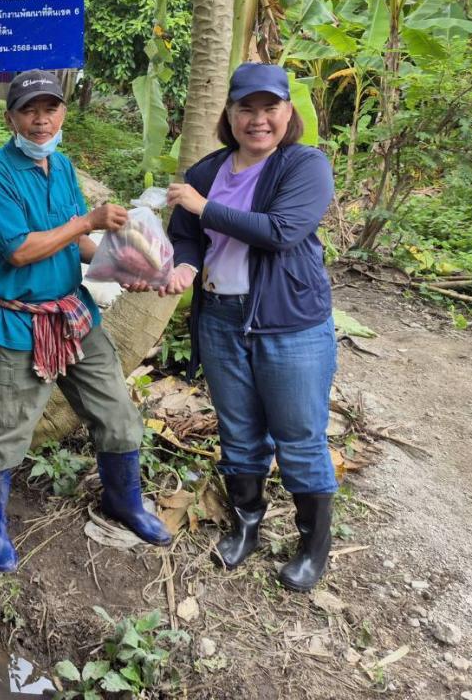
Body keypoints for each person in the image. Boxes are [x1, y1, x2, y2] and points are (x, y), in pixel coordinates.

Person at [0, 69, 171, 574]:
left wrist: (123, 264)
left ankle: (123, 503)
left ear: (62, 113)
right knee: (10, 428)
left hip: (73, 313)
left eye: (51, 108)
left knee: (117, 413)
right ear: (13, 117)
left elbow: (76, 242)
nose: (41, 120)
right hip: (18, 323)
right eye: (30, 110)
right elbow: (19, 252)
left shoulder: (61, 167)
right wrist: (88, 221)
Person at [160, 63, 337, 592]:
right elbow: (187, 235)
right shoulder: (206, 171)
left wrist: (204, 207)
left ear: (288, 113)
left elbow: (281, 232)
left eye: (270, 108)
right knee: (238, 431)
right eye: (246, 108)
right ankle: (246, 526)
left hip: (290, 322)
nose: (258, 119)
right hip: (219, 316)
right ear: (230, 114)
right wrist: (185, 265)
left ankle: (312, 547)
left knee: (300, 437)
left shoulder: (303, 166)